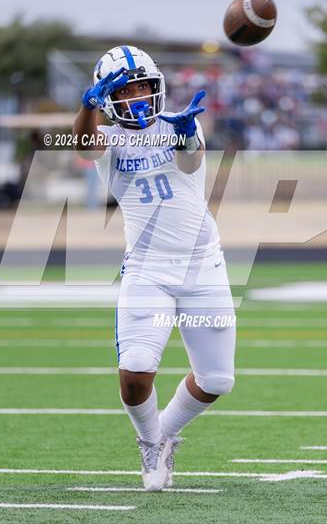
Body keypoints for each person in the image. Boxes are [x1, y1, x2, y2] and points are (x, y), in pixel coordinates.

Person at [73, 46, 236, 492]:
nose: (137, 96)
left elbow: (190, 160)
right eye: (125, 90)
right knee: (135, 370)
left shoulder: (181, 123)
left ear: (157, 86)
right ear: (107, 98)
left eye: (143, 86)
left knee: (218, 380)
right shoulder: (107, 136)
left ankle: (164, 433)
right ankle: (149, 442)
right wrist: (86, 109)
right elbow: (85, 146)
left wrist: (185, 136)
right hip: (147, 269)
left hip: (203, 265)